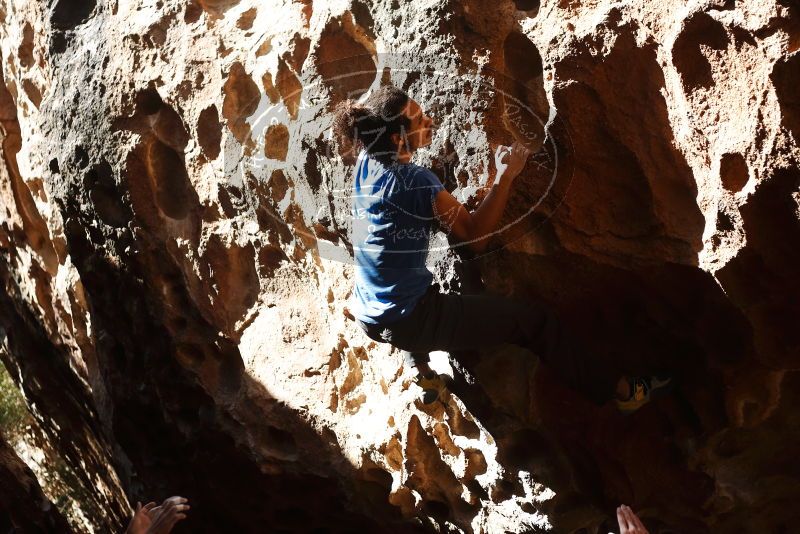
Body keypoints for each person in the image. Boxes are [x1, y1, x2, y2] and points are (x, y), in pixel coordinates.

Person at [334, 84, 670, 412]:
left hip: (369, 309)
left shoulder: (368, 158)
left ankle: (418, 369)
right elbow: (476, 239)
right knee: (535, 323)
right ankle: (625, 392)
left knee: (422, 277)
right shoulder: (417, 181)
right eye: (420, 121)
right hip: (411, 319)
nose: (430, 122)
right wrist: (504, 177)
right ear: (397, 139)